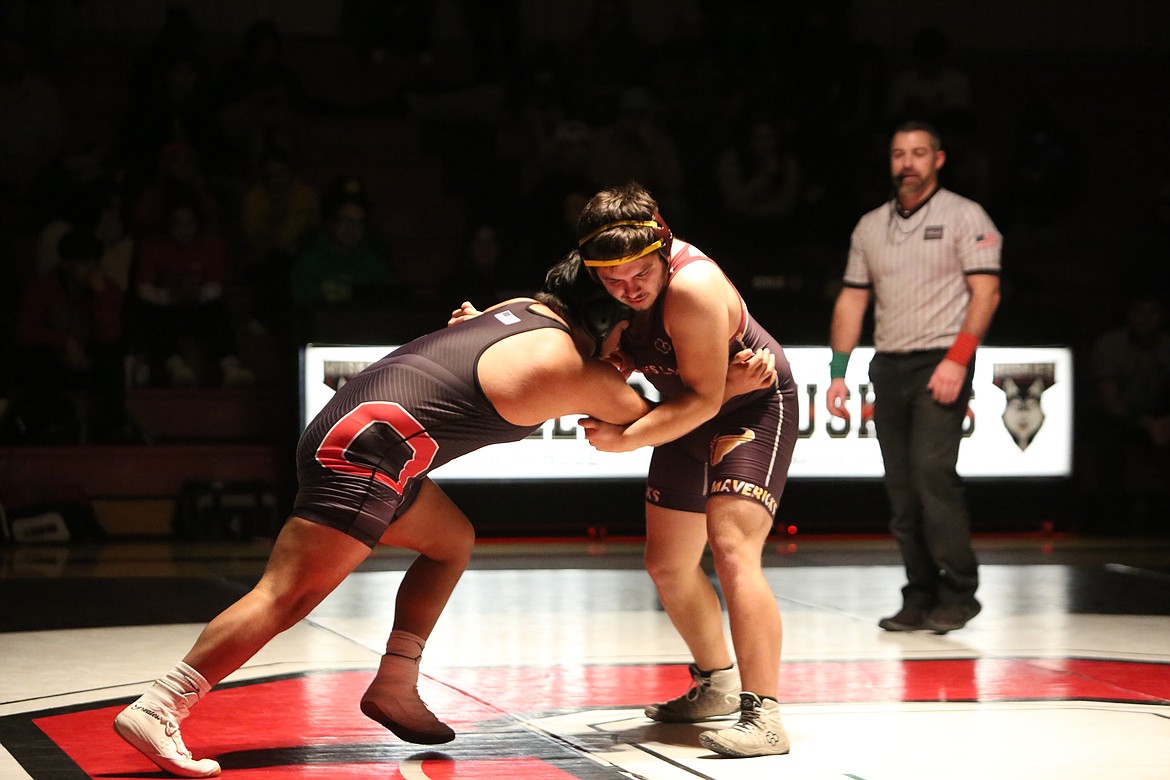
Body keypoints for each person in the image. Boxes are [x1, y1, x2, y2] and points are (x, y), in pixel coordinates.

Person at [112, 249, 778, 777]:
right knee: (286, 597)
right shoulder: (584, 372)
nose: (629, 340)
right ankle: (163, 703)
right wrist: (729, 391)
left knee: (451, 539)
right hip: (371, 451)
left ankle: (396, 682)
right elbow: (659, 423)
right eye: (623, 327)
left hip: (353, 430)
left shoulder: (516, 308)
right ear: (600, 324)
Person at [573, 181, 799, 758]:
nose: (629, 290)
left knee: (730, 549)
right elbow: (540, 311)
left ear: (662, 245)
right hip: (688, 407)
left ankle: (765, 715)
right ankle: (717, 684)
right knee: (668, 565)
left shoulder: (694, 288)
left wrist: (625, 438)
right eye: (613, 282)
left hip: (749, 406)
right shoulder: (603, 272)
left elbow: (704, 402)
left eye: (641, 275)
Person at [825, 120, 1002, 635]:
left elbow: (986, 293)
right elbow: (852, 298)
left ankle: (958, 591)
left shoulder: (965, 215)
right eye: (899, 154)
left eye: (919, 153)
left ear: (938, 160)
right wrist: (839, 372)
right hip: (889, 362)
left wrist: (957, 360)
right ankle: (919, 593)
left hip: (940, 359)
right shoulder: (870, 225)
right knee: (901, 491)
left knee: (932, 476)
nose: (908, 163)